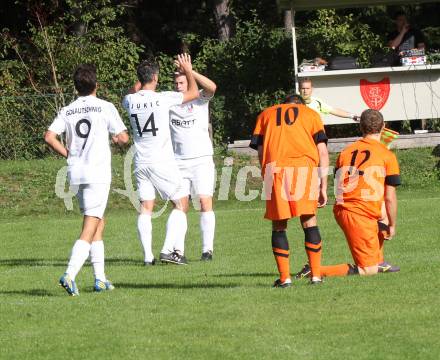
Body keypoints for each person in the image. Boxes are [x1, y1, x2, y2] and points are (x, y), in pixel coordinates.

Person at [45, 64, 129, 296]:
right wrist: (118, 139)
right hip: (97, 172)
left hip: (77, 172)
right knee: (90, 225)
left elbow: (49, 137)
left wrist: (69, 154)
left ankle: (100, 279)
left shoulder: (67, 110)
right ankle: (70, 274)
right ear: (96, 85)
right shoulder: (104, 106)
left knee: (98, 223)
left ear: (76, 87)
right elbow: (123, 137)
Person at [296, 109, 401, 279]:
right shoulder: (386, 155)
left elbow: (339, 185)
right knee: (368, 271)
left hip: (344, 208)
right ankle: (314, 270)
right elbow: (390, 197)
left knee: (382, 214)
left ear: (361, 127)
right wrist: (393, 226)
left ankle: (378, 260)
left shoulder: (346, 152)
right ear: (383, 127)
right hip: (357, 214)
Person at [123, 54, 199, 266]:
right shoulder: (163, 98)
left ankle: (148, 256)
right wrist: (188, 69)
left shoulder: (129, 100)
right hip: (161, 160)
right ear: (156, 77)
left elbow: (131, 91)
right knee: (181, 203)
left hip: (140, 161)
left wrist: (141, 77)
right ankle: (168, 250)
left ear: (139, 79)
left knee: (146, 207)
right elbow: (193, 92)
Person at [250, 94, 329, 287]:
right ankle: (316, 276)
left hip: (276, 169)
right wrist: (323, 185)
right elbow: (323, 151)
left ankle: (285, 279)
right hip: (304, 168)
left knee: (279, 225)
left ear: (284, 105)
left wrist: (266, 174)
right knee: (309, 221)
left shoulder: (265, 115)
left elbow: (260, 151)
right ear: (300, 105)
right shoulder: (310, 114)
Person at [169, 62, 217, 261]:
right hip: (178, 161)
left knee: (205, 202)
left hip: (201, 160)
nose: (178, 86)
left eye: (182, 82)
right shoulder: (170, 102)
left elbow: (212, 87)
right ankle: (177, 251)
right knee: (180, 206)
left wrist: (190, 71)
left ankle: (207, 250)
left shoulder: (199, 99)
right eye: (176, 83)